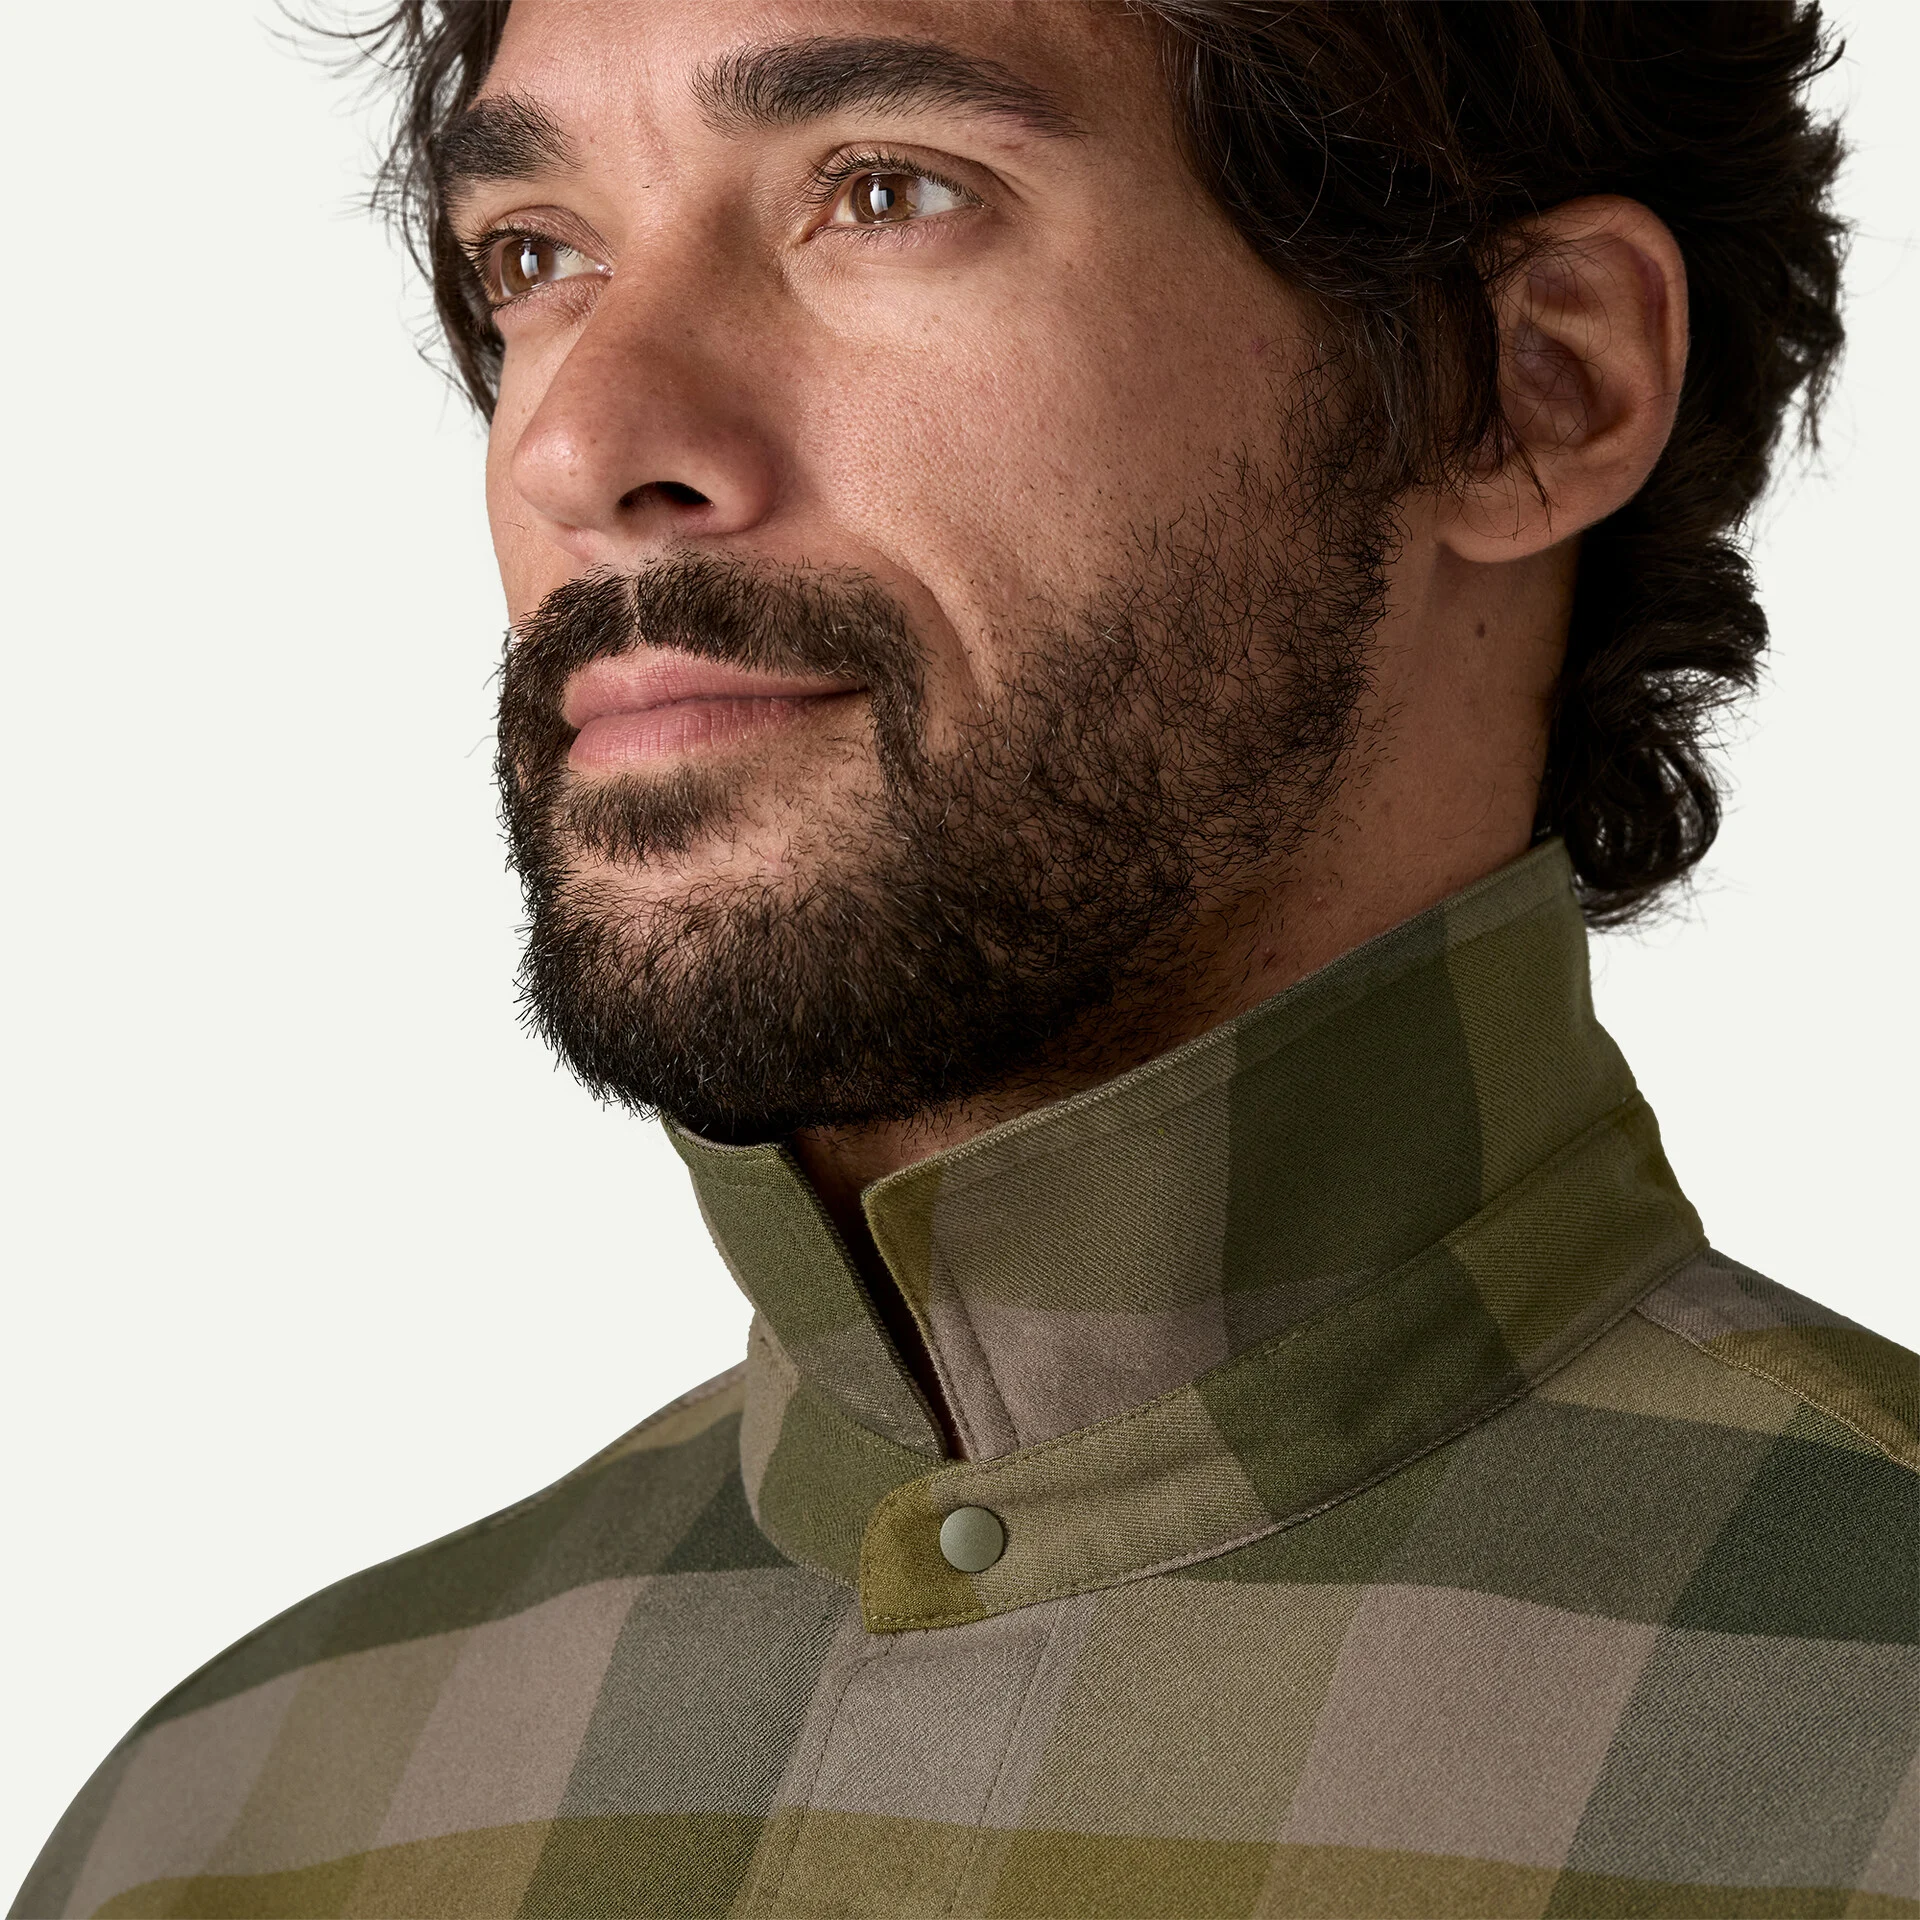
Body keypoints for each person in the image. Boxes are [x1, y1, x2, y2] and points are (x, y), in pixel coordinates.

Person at [15, 2, 1915, 1916]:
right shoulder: (220, 1840)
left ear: (1529, 386)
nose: (581, 444)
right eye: (536, 253)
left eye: (886, 194)